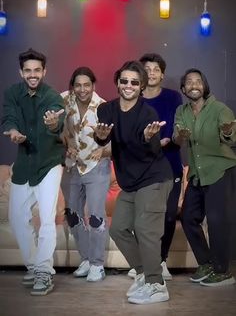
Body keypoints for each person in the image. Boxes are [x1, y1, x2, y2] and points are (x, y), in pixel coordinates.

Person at [94, 60, 173, 305]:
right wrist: (100, 136)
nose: (129, 86)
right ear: (118, 83)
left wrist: (149, 137)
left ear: (141, 87)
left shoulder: (147, 113)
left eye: (135, 82)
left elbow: (150, 150)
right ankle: (143, 274)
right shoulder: (106, 110)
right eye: (125, 81)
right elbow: (102, 138)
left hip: (154, 177)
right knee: (118, 229)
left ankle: (157, 284)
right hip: (130, 181)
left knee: (146, 229)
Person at [1, 48, 65, 296]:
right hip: (25, 162)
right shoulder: (12, 93)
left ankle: (44, 270)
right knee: (17, 218)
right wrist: (13, 131)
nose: (32, 74)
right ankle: (33, 265)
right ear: (21, 72)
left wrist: (52, 124)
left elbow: (57, 122)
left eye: (37, 70)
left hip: (49, 162)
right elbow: (8, 117)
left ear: (44, 71)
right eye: (28, 70)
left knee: (46, 219)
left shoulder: (52, 96)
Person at [173, 68, 236, 287]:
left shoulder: (220, 109)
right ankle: (207, 263)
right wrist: (180, 136)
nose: (194, 85)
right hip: (197, 173)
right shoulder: (182, 111)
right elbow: (177, 136)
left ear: (204, 86)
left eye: (198, 81)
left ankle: (223, 271)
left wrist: (228, 132)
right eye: (189, 82)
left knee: (219, 222)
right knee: (189, 217)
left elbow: (232, 138)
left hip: (220, 170)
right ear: (183, 88)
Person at [131, 52, 182, 281]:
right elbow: (130, 133)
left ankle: (161, 262)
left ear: (162, 75)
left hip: (170, 164)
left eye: (156, 69)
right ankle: (143, 263)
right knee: (144, 218)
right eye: (147, 69)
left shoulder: (172, 97)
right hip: (142, 168)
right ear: (141, 74)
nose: (151, 73)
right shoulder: (134, 98)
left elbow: (174, 127)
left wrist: (163, 141)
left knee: (169, 215)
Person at [61, 67, 111, 282]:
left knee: (96, 217)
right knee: (72, 216)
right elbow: (57, 131)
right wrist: (66, 146)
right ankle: (86, 259)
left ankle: (97, 265)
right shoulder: (63, 101)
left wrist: (104, 150)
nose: (82, 89)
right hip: (72, 166)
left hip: (96, 166)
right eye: (78, 85)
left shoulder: (104, 107)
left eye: (87, 85)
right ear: (73, 86)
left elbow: (116, 142)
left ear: (93, 85)